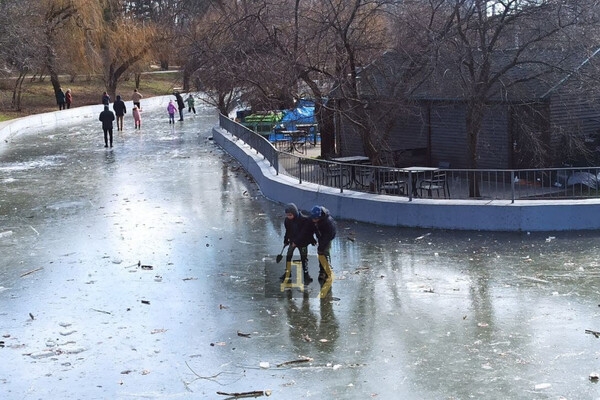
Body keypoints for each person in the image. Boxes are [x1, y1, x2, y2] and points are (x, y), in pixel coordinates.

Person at [281, 203, 316, 284]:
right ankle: (287, 272)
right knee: (289, 255)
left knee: (304, 258)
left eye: (290, 215)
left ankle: (306, 274)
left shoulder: (304, 220)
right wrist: (286, 240)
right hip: (292, 241)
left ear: (294, 213)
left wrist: (296, 242)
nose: (288, 217)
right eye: (287, 215)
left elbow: (304, 233)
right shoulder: (287, 221)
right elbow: (288, 231)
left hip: (303, 242)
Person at [310, 205, 337, 282]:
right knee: (320, 253)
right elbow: (312, 228)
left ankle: (328, 271)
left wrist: (321, 247)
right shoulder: (315, 220)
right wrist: (312, 238)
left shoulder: (328, 223)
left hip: (328, 237)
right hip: (321, 235)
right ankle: (322, 271)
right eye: (313, 219)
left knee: (325, 252)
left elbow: (327, 237)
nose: (313, 220)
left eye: (315, 219)